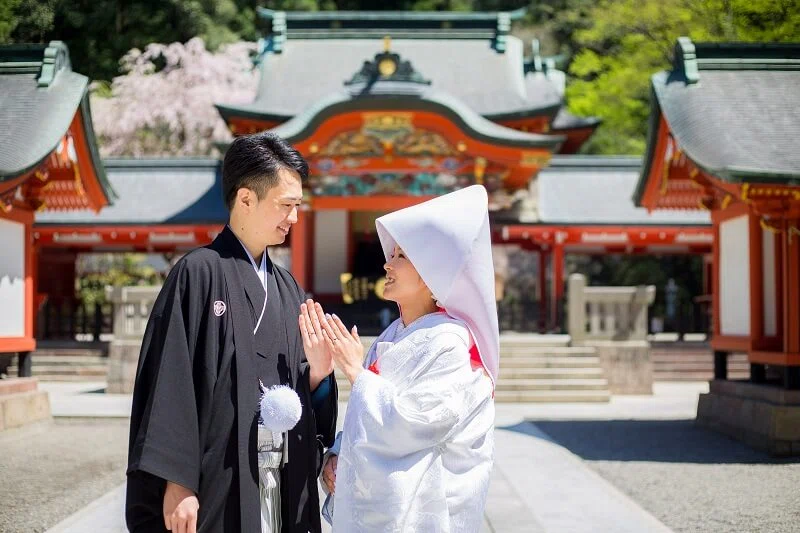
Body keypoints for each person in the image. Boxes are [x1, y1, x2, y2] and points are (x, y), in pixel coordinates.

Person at [126, 132, 338, 533]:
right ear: (245, 199)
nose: (294, 218)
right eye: (286, 205)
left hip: (280, 477)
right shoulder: (198, 273)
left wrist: (318, 375)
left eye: (297, 206)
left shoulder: (288, 288)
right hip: (216, 477)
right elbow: (170, 382)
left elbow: (299, 387)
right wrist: (177, 481)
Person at [301, 185, 498, 532]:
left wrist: (355, 371)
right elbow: (368, 416)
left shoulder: (451, 343)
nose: (386, 263)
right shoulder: (393, 334)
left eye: (401, 257)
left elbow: (416, 423)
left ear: (430, 274)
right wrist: (337, 456)